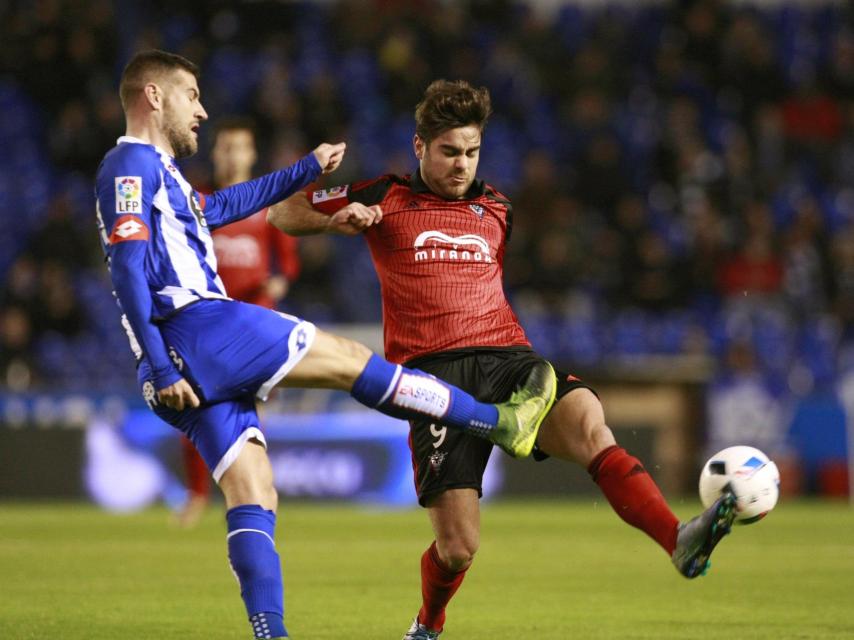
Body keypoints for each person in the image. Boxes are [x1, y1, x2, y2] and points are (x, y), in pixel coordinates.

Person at [94, 52, 557, 640]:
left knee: (255, 492)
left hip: (181, 358)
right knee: (350, 361)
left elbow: (220, 209)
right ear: (155, 96)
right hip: (196, 328)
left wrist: (304, 169)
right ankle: (499, 422)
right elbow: (129, 266)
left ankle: (271, 635)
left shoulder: (165, 176)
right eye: (191, 95)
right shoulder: (128, 164)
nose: (202, 110)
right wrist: (161, 364)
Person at [267, 79, 738, 639]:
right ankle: (427, 624)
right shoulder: (382, 195)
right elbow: (283, 212)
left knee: (590, 422)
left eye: (471, 152)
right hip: (435, 377)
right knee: (458, 549)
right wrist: (333, 220)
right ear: (419, 148)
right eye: (448, 152)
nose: (461, 164)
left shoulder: (497, 209)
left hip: (507, 356)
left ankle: (677, 539)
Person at [176, 117, 303, 527]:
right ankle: (198, 495)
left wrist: (274, 286)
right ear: (215, 153)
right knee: (193, 408)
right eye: (225, 147)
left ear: (251, 155)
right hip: (205, 325)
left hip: (250, 324)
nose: (232, 156)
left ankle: (254, 495)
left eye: (239, 148)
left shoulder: (266, 208)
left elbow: (287, 267)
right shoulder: (200, 204)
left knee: (249, 416)